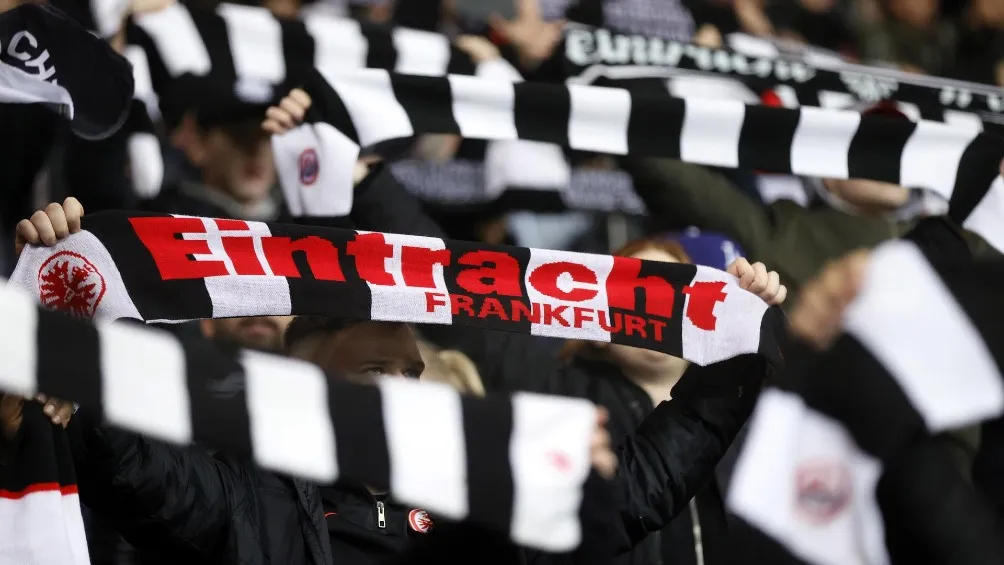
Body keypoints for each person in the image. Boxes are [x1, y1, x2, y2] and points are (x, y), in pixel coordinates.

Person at [264, 88, 787, 565]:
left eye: (669, 294)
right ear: (595, 318)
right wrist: (361, 181)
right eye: (638, 291)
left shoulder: (750, 413)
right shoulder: (550, 384)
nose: (652, 309)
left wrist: (744, 338)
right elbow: (457, 285)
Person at [4, 199, 618, 565]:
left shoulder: (470, 503)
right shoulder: (242, 500)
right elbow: (131, 465)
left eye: (412, 373)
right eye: (375, 373)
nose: (406, 393)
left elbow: (633, 506)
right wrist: (70, 307)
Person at [149, 77, 281, 221]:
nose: (257, 149)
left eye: (269, 136)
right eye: (241, 135)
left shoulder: (296, 220)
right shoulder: (162, 220)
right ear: (197, 144)